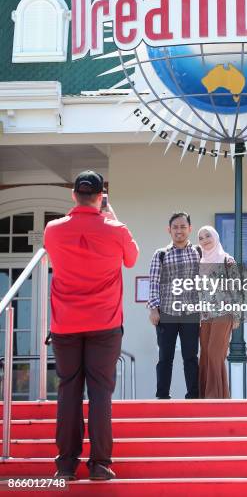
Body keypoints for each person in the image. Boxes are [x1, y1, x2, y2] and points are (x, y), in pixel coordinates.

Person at [44, 171, 139, 481]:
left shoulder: (53, 230)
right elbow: (132, 259)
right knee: (100, 393)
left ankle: (66, 465)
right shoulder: (117, 230)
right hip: (105, 323)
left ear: (74, 195)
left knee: (68, 390)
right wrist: (110, 216)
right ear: (101, 196)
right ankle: (99, 464)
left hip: (65, 323)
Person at [148, 212, 201, 399]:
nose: (179, 230)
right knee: (165, 358)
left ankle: (194, 397)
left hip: (191, 314)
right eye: (175, 227)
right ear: (169, 230)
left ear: (190, 229)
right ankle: (162, 397)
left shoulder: (198, 252)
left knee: (191, 358)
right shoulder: (160, 254)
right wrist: (153, 309)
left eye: (183, 227)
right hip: (166, 314)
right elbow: (153, 283)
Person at [197, 226, 241, 399]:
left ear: (215, 237)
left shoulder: (227, 260)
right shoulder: (200, 263)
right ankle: (205, 395)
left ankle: (216, 396)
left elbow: (237, 287)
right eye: (201, 238)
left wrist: (237, 315)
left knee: (216, 352)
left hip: (224, 312)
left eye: (208, 235)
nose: (205, 240)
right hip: (205, 316)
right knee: (206, 354)